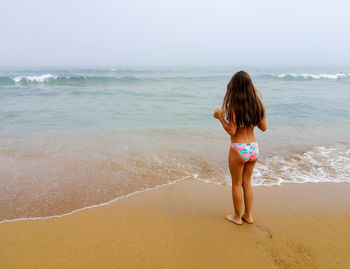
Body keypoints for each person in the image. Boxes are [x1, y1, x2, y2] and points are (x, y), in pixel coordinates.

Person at [213, 71, 266, 225]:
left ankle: (237, 217)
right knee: (247, 183)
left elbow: (232, 131)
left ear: (233, 88)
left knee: (237, 183)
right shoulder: (258, 106)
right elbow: (263, 128)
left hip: (239, 148)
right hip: (253, 148)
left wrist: (220, 118)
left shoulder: (233, 107)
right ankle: (248, 215)